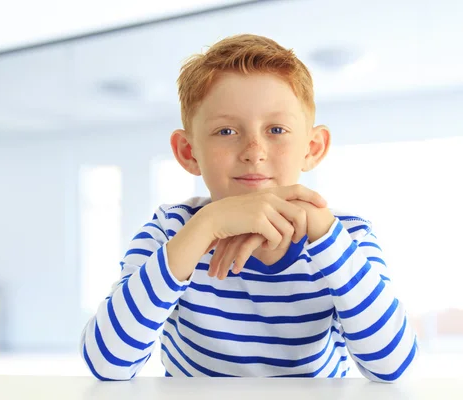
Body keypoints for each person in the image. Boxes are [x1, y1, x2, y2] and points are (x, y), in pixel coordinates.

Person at [80, 34, 418, 381]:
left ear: (313, 147)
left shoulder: (347, 236)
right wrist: (206, 225)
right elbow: (108, 363)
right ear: (187, 151)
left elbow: (393, 367)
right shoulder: (170, 229)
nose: (254, 151)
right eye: (226, 131)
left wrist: (326, 236)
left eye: (276, 129)